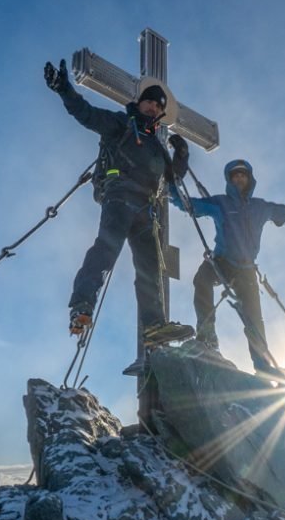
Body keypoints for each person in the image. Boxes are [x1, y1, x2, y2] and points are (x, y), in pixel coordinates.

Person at [44, 58, 192, 347]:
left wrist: (182, 153)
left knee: (149, 268)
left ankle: (154, 326)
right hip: (120, 196)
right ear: (139, 104)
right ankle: (82, 305)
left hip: (147, 209)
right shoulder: (121, 123)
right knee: (106, 250)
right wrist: (64, 90)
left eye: (158, 106)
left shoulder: (156, 145)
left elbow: (172, 178)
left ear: (162, 112)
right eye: (149, 102)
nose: (153, 107)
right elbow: (86, 114)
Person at [170, 159, 285, 378]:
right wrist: (172, 183)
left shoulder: (261, 207)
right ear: (229, 180)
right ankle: (207, 335)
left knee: (254, 318)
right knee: (202, 279)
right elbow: (187, 204)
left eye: (243, 175)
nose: (239, 179)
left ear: (249, 179)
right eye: (235, 176)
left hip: (246, 269)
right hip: (222, 261)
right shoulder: (220, 203)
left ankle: (263, 366)